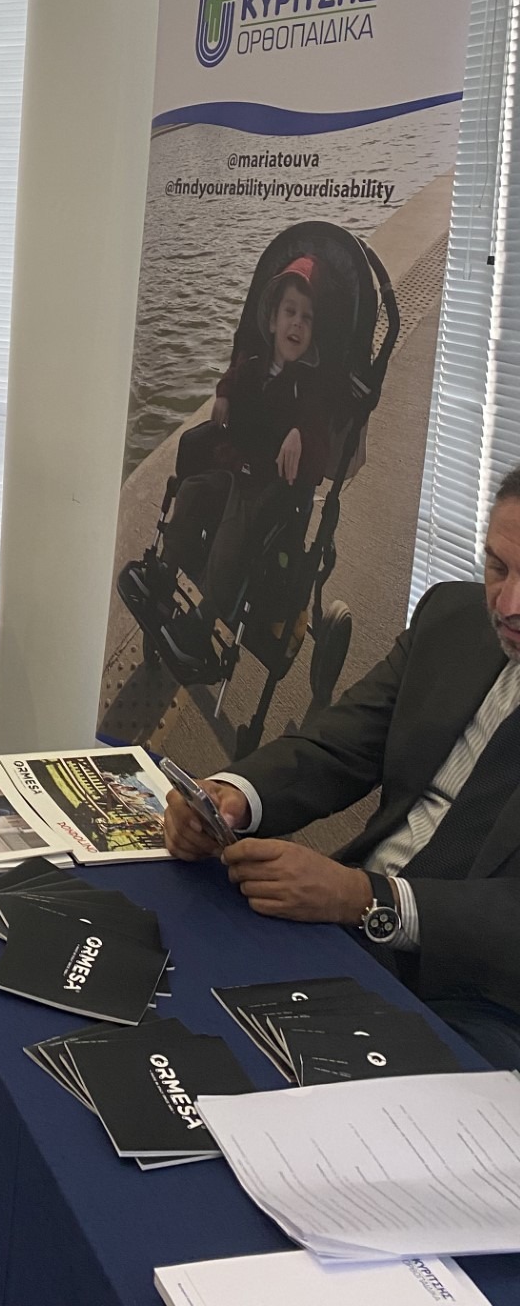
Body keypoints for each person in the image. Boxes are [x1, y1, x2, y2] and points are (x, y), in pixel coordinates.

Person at [163, 464, 520, 1070]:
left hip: (488, 1003)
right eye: (498, 567)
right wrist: (231, 797)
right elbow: (341, 745)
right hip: (349, 931)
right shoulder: (452, 620)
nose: (507, 605)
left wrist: (363, 897)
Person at [164, 254, 331, 622]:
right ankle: (166, 567)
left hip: (267, 488)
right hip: (235, 466)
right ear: (272, 321)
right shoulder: (254, 363)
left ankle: (207, 614)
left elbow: (319, 435)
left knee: (232, 530)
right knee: (191, 490)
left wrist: (299, 435)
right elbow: (233, 376)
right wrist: (224, 395)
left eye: (307, 318)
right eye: (290, 312)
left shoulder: (309, 387)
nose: (297, 323)